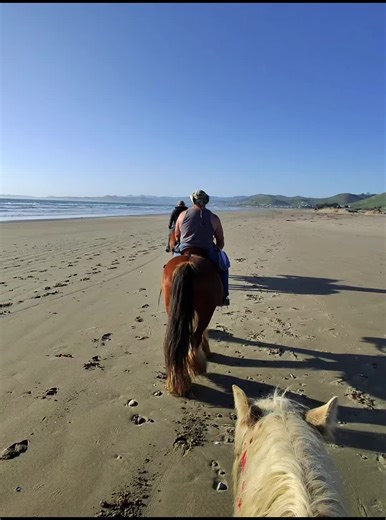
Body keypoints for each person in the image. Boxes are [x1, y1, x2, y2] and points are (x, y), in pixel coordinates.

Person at [174, 189, 230, 306]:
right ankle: (223, 296)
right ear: (206, 201)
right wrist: (218, 248)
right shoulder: (214, 217)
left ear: (193, 200)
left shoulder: (182, 215)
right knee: (224, 268)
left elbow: (177, 236)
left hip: (185, 248)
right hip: (207, 249)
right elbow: (220, 241)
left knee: (170, 266)